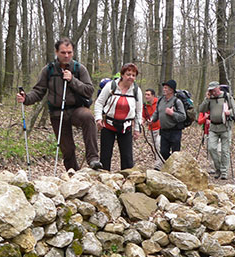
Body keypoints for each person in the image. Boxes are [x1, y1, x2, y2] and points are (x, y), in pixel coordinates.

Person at [17, 37, 102, 171]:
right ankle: (73, 173)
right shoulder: (48, 70)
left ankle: (93, 159)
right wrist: (25, 98)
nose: (66, 55)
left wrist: (72, 80)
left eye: (69, 52)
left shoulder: (80, 69)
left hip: (76, 109)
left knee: (87, 116)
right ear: (56, 52)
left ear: (73, 52)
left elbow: (89, 90)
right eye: (63, 52)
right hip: (57, 113)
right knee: (67, 149)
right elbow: (38, 91)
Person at [94, 63, 143, 171]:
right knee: (105, 156)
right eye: (128, 74)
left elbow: (139, 112)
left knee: (127, 158)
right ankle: (104, 180)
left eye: (133, 75)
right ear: (122, 75)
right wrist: (98, 118)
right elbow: (99, 103)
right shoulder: (111, 86)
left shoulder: (136, 91)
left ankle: (127, 181)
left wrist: (137, 129)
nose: (131, 77)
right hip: (108, 125)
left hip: (126, 127)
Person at [198, 81, 235, 180]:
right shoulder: (209, 99)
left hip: (225, 127)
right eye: (211, 90)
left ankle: (224, 172)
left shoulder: (226, 96)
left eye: (214, 89)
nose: (213, 92)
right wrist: (207, 99)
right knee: (211, 148)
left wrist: (229, 112)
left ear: (218, 88)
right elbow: (201, 109)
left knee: (225, 151)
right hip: (213, 127)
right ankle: (218, 169)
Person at [150, 79, 186, 162]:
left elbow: (183, 116)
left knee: (175, 153)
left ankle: (176, 169)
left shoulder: (177, 101)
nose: (164, 89)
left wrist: (172, 113)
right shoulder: (160, 100)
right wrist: (152, 119)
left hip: (175, 131)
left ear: (171, 90)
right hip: (164, 131)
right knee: (163, 152)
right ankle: (171, 164)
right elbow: (157, 112)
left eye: (166, 88)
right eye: (164, 88)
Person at [142, 89, 162, 169]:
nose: (146, 96)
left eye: (148, 95)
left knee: (158, 145)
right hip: (151, 129)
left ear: (153, 95)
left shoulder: (159, 103)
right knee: (155, 147)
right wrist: (141, 122)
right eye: (145, 94)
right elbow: (144, 116)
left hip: (160, 128)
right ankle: (161, 162)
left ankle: (158, 166)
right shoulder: (145, 106)